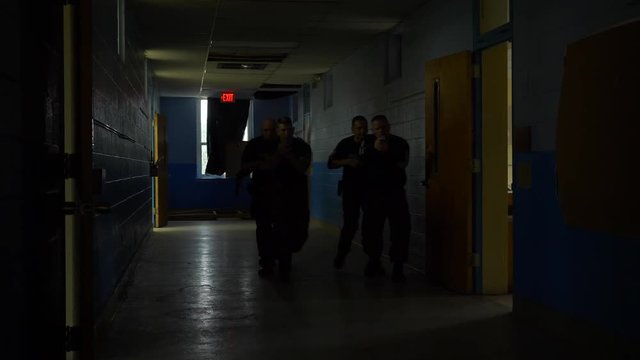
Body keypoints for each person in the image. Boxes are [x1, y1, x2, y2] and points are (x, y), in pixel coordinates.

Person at [361, 115, 411, 282]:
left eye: (383, 127)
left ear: (389, 126)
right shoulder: (367, 144)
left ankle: (398, 266)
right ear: (373, 130)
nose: (381, 131)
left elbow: (402, 164)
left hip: (394, 192)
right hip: (374, 194)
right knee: (371, 230)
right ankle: (373, 261)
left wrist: (386, 153)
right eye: (377, 128)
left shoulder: (399, 143)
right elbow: (363, 164)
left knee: (400, 230)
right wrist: (375, 151)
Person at [271, 116, 312, 281]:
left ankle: (283, 253)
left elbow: (302, 168)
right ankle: (283, 264)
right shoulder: (272, 146)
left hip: (298, 197)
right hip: (278, 197)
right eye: (282, 130)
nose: (286, 133)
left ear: (293, 131)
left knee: (300, 234)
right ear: (277, 131)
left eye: (289, 130)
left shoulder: (302, 146)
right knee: (282, 230)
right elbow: (265, 167)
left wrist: (288, 155)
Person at [236, 118, 278, 276]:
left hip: (279, 193)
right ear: (261, 130)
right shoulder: (254, 145)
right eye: (265, 130)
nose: (269, 133)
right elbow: (244, 166)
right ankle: (266, 259)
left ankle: (277, 256)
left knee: (280, 228)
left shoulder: (281, 145)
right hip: (261, 192)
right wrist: (259, 164)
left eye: (271, 130)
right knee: (263, 228)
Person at [327, 115, 370, 269]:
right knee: (350, 224)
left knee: (370, 224)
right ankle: (341, 254)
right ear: (352, 129)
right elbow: (330, 163)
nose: (362, 131)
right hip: (351, 190)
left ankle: (373, 259)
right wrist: (347, 161)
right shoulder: (345, 144)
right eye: (358, 128)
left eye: (365, 127)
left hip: (370, 191)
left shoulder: (372, 142)